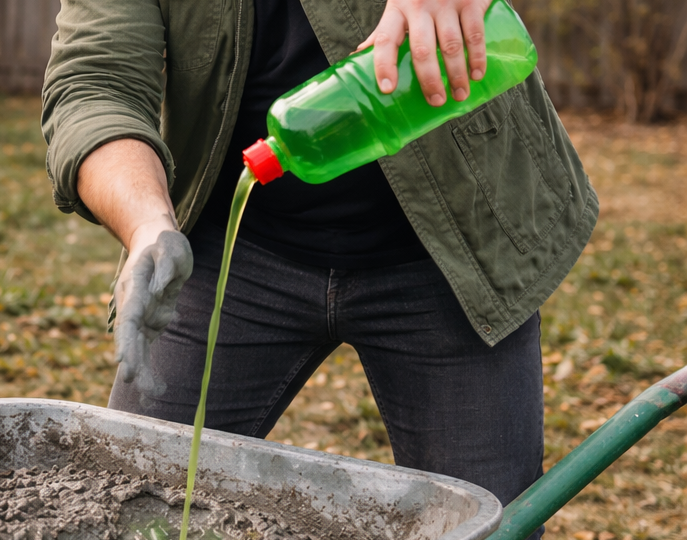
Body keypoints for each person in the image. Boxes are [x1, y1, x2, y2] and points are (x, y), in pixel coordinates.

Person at [42, 0, 597, 536]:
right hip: (231, 257)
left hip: (457, 251)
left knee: (488, 524)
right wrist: (147, 225)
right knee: (131, 504)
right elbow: (94, 81)